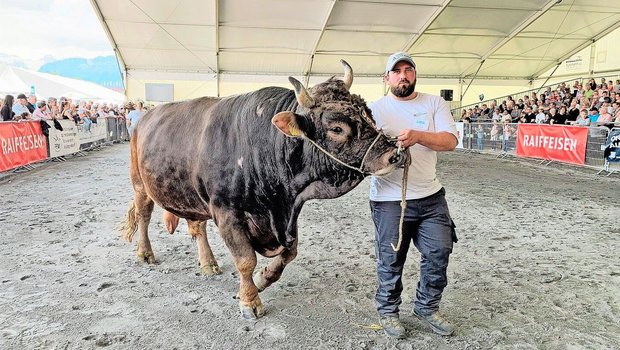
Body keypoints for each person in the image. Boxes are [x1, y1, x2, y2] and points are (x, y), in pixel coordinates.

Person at [368, 52, 458, 339]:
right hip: (389, 199)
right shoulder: (373, 110)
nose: (403, 75)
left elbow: (450, 141)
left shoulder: (434, 103)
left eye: (408, 70)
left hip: (431, 196)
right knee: (391, 258)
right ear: (387, 78)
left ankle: (427, 307)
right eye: (397, 71)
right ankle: (388, 311)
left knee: (439, 252)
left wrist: (419, 135)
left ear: (415, 75)